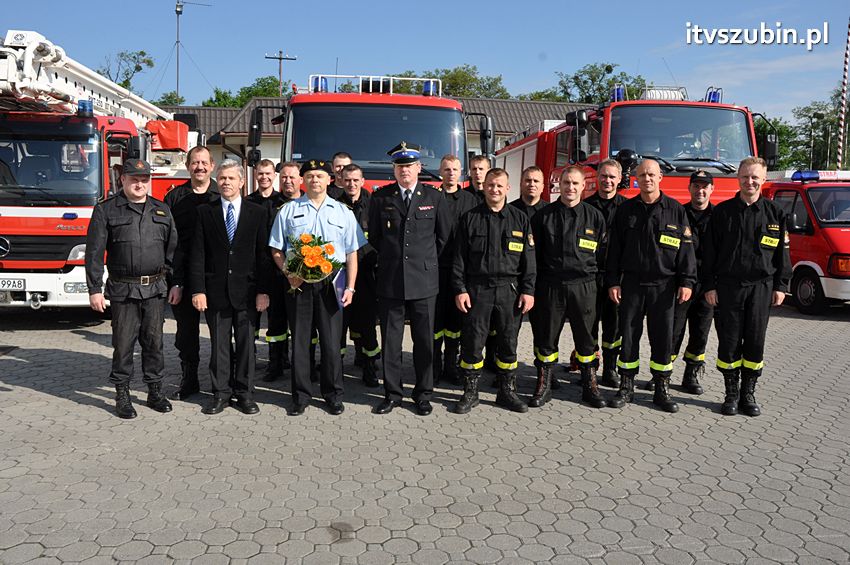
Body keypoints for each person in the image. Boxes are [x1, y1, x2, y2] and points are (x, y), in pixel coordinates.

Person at [269, 159, 364, 416]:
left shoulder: (343, 212)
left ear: (329, 180)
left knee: (332, 343)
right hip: (299, 284)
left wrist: (351, 287)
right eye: (309, 176)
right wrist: (288, 273)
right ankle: (300, 396)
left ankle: (333, 394)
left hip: (331, 284)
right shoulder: (288, 210)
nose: (314, 181)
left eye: (319, 176)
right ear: (303, 180)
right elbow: (276, 248)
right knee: (300, 342)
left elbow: (352, 252)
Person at [85, 159, 177, 419]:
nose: (139, 183)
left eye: (144, 179)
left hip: (155, 289)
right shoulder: (106, 210)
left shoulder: (161, 210)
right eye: (134, 178)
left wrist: (172, 281)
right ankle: (122, 394)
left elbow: (172, 249)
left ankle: (155, 391)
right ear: (123, 180)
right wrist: (94, 288)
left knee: (154, 343)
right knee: (123, 344)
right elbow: (93, 253)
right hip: (123, 291)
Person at [606, 159, 697, 413]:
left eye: (651, 175)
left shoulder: (676, 210)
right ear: (636, 178)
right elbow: (614, 250)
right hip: (632, 284)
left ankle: (661, 388)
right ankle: (626, 386)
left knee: (662, 339)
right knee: (629, 336)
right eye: (642, 175)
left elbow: (686, 251)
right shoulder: (626, 211)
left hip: (664, 286)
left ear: (660, 178)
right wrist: (613, 281)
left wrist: (687, 281)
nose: (647, 179)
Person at [702, 157, 791, 416]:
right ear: (738, 179)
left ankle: (747, 394)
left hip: (761, 288)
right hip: (728, 288)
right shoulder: (722, 213)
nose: (749, 181)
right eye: (745, 177)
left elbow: (783, 253)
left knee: (754, 341)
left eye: (755, 177)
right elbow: (709, 254)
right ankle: (730, 393)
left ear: (763, 180)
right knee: (729, 342)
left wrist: (781, 285)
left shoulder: (776, 214)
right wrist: (709, 285)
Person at [368, 142, 451, 415]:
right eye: (400, 166)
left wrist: (425, 263)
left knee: (424, 342)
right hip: (391, 281)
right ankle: (392, 394)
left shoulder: (434, 197)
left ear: (418, 168)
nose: (405, 171)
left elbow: (443, 238)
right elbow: (377, 239)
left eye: (410, 166)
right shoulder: (381, 198)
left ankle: (423, 394)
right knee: (391, 343)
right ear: (394, 169)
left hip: (424, 281)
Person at [189, 160, 272, 415]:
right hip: (215, 292)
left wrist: (263, 291)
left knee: (247, 346)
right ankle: (220, 394)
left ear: (242, 181)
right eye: (222, 178)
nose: (226, 182)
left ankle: (244, 394)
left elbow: (263, 255)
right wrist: (198, 290)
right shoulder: (205, 212)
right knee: (219, 347)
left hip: (248, 292)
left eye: (231, 178)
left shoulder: (257, 212)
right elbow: (197, 253)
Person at [451, 168, 536, 414]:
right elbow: (459, 260)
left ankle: (506, 392)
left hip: (509, 290)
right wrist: (460, 289)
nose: (495, 190)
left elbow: (529, 261)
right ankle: (471, 392)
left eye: (499, 186)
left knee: (508, 342)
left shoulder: (520, 219)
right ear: (484, 187)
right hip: (478, 289)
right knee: (472, 341)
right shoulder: (470, 218)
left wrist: (528, 291)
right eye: (490, 185)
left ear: (508, 188)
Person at [529, 166, 607, 409]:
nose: (570, 188)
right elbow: (533, 257)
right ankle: (544, 384)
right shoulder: (543, 217)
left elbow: (603, 256)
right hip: (551, 286)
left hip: (584, 286)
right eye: (566, 183)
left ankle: (589, 385)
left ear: (583, 186)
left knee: (586, 340)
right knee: (546, 338)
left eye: (575, 184)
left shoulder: (595, 217)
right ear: (558, 186)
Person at [165, 146, 218, 401]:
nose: (200, 167)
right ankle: (190, 379)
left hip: (216, 275)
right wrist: (174, 280)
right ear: (188, 166)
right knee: (186, 333)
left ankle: (222, 382)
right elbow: (168, 241)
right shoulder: (175, 198)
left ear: (212, 165)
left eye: (204, 162)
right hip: (183, 275)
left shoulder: (223, 193)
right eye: (195, 162)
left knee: (219, 331)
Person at [670, 170, 716, 395]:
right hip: (680, 285)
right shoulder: (678, 213)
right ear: (689, 189)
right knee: (673, 331)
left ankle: (691, 375)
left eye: (704, 186)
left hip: (706, 287)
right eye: (696, 186)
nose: (700, 190)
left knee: (700, 333)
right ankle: (663, 375)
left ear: (711, 189)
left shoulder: (719, 216)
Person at [434, 154, 479, 385]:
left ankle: (451, 366)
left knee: (455, 324)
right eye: (446, 169)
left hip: (460, 270)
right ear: (440, 172)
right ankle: (433, 367)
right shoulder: (431, 197)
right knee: (434, 322)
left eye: (454, 169)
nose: (451, 173)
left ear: (461, 173)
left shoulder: (470, 201)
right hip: (435, 270)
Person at [246, 159, 291, 382]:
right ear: (255, 175)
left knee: (277, 320)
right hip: (253, 268)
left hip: (277, 269)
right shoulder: (247, 202)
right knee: (251, 319)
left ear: (274, 176)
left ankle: (277, 363)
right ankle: (248, 361)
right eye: (260, 173)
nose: (264, 177)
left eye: (268, 173)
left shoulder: (283, 202)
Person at [584, 159, 628, 389]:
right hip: (590, 276)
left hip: (616, 279)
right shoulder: (585, 207)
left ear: (619, 179)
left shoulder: (628, 208)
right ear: (597, 177)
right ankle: (589, 368)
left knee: (614, 325)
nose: (607, 181)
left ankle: (610, 369)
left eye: (612, 177)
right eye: (603, 176)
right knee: (589, 325)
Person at [338, 163, 381, 387]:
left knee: (366, 326)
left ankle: (370, 367)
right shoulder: (335, 205)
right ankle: (336, 370)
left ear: (362, 181)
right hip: (340, 275)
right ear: (341, 181)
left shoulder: (375, 204)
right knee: (339, 324)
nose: (351, 184)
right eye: (347, 180)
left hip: (366, 275)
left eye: (355, 180)